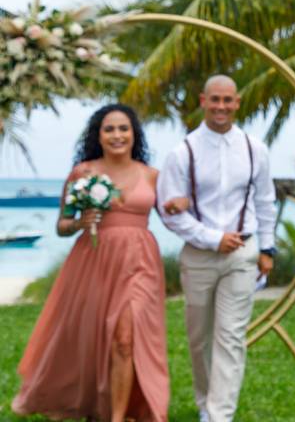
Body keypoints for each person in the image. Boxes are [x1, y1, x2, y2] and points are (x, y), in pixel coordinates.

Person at [12, 104, 169, 421]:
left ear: (134, 134)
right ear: (98, 135)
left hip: (140, 262)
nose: (117, 135)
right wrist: (80, 222)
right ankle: (94, 402)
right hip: (94, 261)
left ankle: (117, 416)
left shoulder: (152, 176)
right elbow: (61, 225)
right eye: (109, 129)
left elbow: (175, 216)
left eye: (123, 128)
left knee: (126, 338)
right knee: (92, 337)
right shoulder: (82, 173)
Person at [158, 75, 278, 422]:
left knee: (231, 337)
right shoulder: (183, 152)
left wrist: (267, 249)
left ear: (237, 102)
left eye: (227, 100)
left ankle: (218, 415)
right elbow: (171, 213)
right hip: (198, 255)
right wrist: (213, 238)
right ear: (203, 100)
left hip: (243, 253)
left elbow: (265, 201)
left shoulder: (255, 149)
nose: (221, 107)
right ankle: (204, 403)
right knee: (199, 338)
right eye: (215, 100)